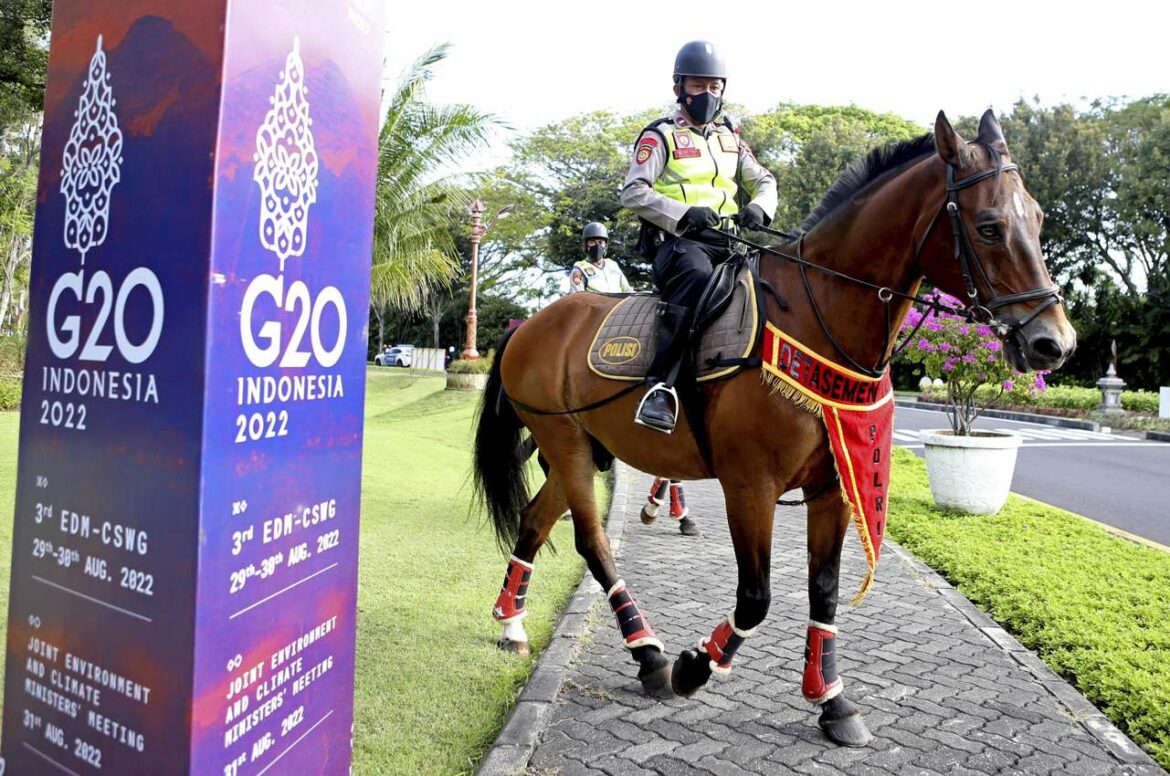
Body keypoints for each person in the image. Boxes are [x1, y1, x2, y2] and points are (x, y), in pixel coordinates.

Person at [621, 40, 778, 433]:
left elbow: (764, 180)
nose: (707, 95)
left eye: (714, 87)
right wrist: (684, 214)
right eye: (698, 86)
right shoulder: (660, 136)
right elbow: (633, 191)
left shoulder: (730, 138)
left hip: (729, 242)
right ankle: (659, 387)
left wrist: (759, 207)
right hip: (682, 244)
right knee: (696, 278)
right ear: (679, 89)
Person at [568, 222, 632, 294]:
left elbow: (627, 290)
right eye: (592, 242)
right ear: (584, 245)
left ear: (606, 245)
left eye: (601, 242)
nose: (597, 246)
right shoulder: (580, 268)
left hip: (619, 304)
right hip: (594, 304)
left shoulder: (613, 265)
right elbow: (577, 297)